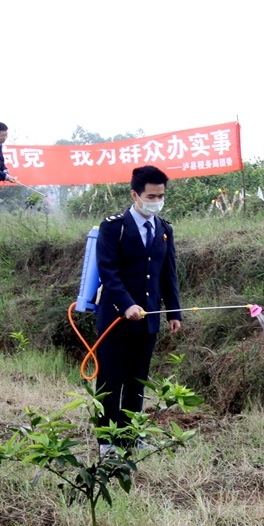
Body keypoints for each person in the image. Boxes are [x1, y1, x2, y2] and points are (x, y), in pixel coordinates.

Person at [94, 165, 182, 451]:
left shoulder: (164, 229)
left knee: (137, 379)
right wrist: (126, 304)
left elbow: (167, 274)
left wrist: (174, 313)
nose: (157, 201)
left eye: (161, 196)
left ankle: (131, 435)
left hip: (148, 320)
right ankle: (107, 440)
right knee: (111, 379)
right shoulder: (114, 227)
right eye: (151, 196)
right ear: (135, 194)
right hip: (116, 319)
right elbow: (108, 272)